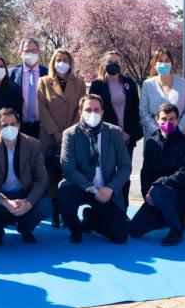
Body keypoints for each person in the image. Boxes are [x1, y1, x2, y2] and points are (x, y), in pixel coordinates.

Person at [58, 94, 132, 244]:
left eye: (96, 110)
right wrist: (91, 188)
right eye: (88, 109)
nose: (93, 113)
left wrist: (110, 189)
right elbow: (68, 169)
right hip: (81, 186)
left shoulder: (115, 132)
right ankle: (75, 230)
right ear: (80, 112)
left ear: (102, 112)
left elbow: (125, 166)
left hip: (106, 190)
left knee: (120, 236)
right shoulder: (70, 134)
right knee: (65, 195)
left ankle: (90, 218)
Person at [0, 108, 53, 246]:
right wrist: (4, 201)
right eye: (5, 125)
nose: (9, 128)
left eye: (13, 124)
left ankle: (25, 227)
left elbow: (42, 179)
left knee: (46, 206)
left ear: (19, 125)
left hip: (24, 193)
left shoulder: (34, 144)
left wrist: (28, 202)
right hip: (0, 194)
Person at [130, 104, 185, 246]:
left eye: (172, 119)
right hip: (156, 195)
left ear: (178, 120)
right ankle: (170, 217)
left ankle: (176, 229)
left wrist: (157, 184)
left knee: (160, 191)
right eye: (164, 119)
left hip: (182, 193)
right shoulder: (151, 143)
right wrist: (146, 195)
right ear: (156, 119)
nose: (168, 123)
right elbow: (146, 172)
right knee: (134, 230)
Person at [88, 50, 143, 210]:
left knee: (124, 173)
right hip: (105, 137)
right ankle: (105, 206)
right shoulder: (97, 85)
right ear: (103, 64)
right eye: (110, 61)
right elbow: (94, 110)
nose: (114, 64)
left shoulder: (129, 83)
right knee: (107, 172)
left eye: (117, 62)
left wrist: (129, 133)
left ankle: (122, 206)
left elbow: (135, 110)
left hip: (127, 136)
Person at [37, 48, 86, 226]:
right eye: (59, 59)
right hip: (49, 135)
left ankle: (67, 210)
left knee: (69, 172)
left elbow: (81, 109)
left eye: (65, 59)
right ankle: (54, 210)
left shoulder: (79, 83)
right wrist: (55, 132)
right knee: (50, 173)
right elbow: (42, 110)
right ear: (53, 62)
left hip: (72, 136)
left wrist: (68, 133)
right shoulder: (43, 82)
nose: (62, 63)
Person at [139, 49, 185, 138]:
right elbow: (143, 112)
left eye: (167, 60)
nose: (163, 63)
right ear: (154, 64)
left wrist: (177, 130)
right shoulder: (148, 85)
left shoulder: (183, 83)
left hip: (181, 136)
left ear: (172, 63)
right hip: (155, 138)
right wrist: (158, 131)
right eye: (160, 61)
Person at [9, 37, 48, 139]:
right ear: (21, 53)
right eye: (27, 51)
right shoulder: (12, 74)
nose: (30, 53)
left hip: (43, 127)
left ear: (38, 52)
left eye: (33, 50)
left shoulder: (48, 73)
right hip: (19, 127)